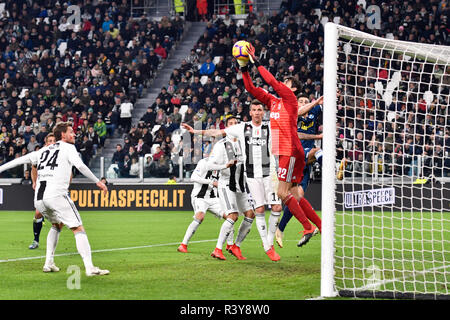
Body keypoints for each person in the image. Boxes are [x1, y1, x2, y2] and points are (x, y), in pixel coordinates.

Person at [183, 100, 303, 261]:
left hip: (255, 179)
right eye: (254, 110)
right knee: (242, 214)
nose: (257, 112)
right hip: (237, 181)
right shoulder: (230, 139)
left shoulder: (256, 133)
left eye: (260, 109)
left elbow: (288, 120)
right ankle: (224, 248)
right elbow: (215, 142)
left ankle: (241, 245)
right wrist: (196, 132)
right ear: (250, 113)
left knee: (260, 211)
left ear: (262, 112)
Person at [0, 122, 109, 276]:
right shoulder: (68, 148)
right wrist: (97, 181)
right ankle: (90, 268)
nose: (74, 134)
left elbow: (17, 161)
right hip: (57, 194)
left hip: (40, 199)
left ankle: (48, 262)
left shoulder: (42, 151)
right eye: (71, 132)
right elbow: (80, 166)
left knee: (57, 225)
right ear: (62, 135)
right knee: (78, 228)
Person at [241, 44, 318, 248]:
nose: (284, 83)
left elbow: (271, 81)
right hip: (287, 151)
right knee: (293, 194)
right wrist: (243, 68)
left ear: (293, 89)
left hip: (290, 150)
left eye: (288, 82)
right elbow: (250, 88)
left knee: (283, 193)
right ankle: (320, 224)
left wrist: (255, 60)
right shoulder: (274, 102)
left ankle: (308, 227)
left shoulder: (290, 99)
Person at [191, 116, 255, 260]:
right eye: (230, 124)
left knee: (250, 214)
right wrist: (224, 166)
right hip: (226, 185)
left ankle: (235, 246)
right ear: (226, 128)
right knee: (233, 216)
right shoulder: (221, 145)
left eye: (235, 124)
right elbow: (209, 165)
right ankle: (218, 249)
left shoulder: (244, 143)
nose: (233, 126)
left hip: (240, 185)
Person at [276, 94, 324, 248]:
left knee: (297, 195)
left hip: (304, 158)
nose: (303, 104)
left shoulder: (315, 110)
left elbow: (327, 106)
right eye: (300, 102)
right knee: (292, 196)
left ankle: (307, 227)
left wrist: (334, 97)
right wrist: (318, 135)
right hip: (294, 155)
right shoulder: (292, 115)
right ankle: (285, 228)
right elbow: (295, 134)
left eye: (305, 102)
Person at [177, 157, 234, 253]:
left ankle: (230, 245)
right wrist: (211, 182)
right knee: (200, 216)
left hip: (213, 198)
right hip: (200, 197)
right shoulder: (204, 162)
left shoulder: (223, 166)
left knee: (230, 217)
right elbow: (193, 177)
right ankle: (183, 245)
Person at [28, 133, 56, 250]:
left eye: (54, 141)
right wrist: (34, 182)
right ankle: (36, 240)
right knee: (38, 213)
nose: (52, 143)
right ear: (46, 143)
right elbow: (34, 168)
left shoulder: (60, 153)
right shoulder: (41, 154)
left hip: (56, 187)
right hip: (43, 187)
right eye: (49, 141)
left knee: (60, 219)